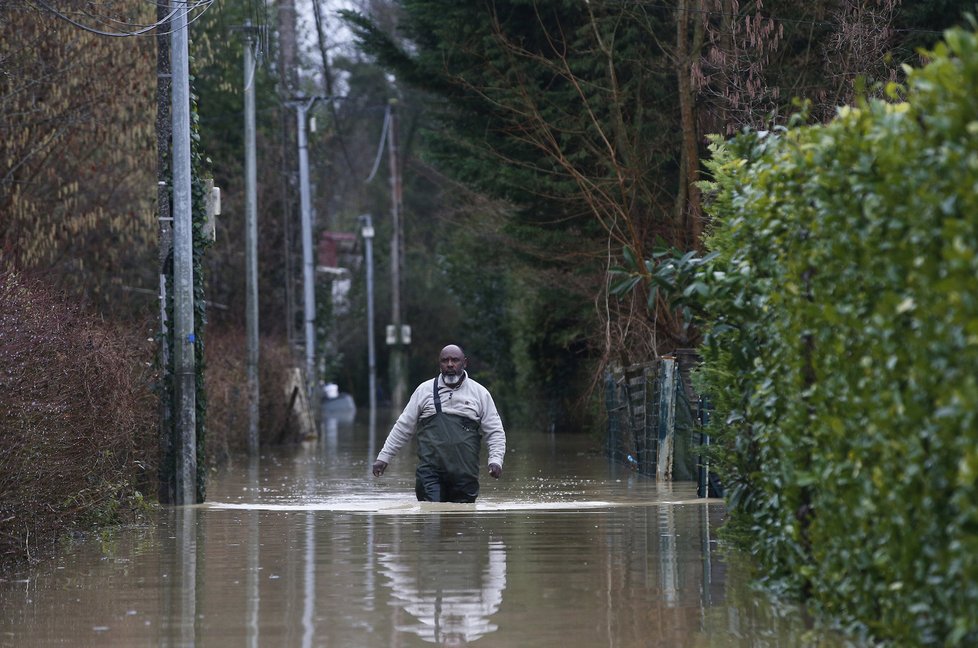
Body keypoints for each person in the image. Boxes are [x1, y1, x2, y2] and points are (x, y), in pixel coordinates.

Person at [372, 344, 506, 503]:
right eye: (445, 360)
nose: (450, 364)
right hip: (430, 474)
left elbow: (495, 431)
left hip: (465, 475)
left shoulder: (480, 393)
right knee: (431, 519)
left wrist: (496, 461)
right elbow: (403, 427)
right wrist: (384, 457)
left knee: (462, 522)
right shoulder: (424, 391)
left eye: (455, 360)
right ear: (439, 364)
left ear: (465, 363)